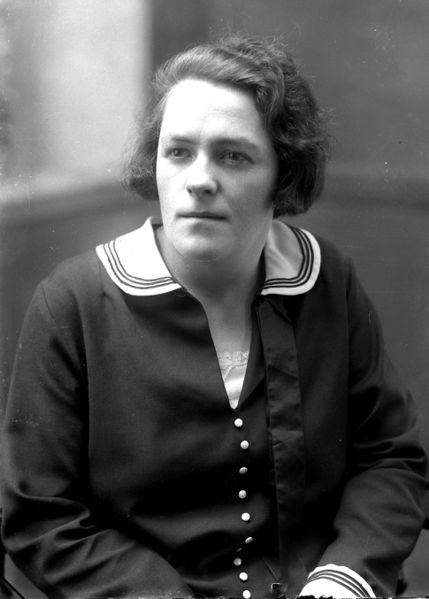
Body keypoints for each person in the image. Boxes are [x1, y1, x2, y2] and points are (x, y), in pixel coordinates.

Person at [1, 35, 427, 599]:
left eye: (233, 156)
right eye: (178, 152)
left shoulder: (327, 282)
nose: (199, 179)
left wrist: (343, 577)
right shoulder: (73, 303)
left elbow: (391, 458)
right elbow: (41, 513)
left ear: (282, 174)